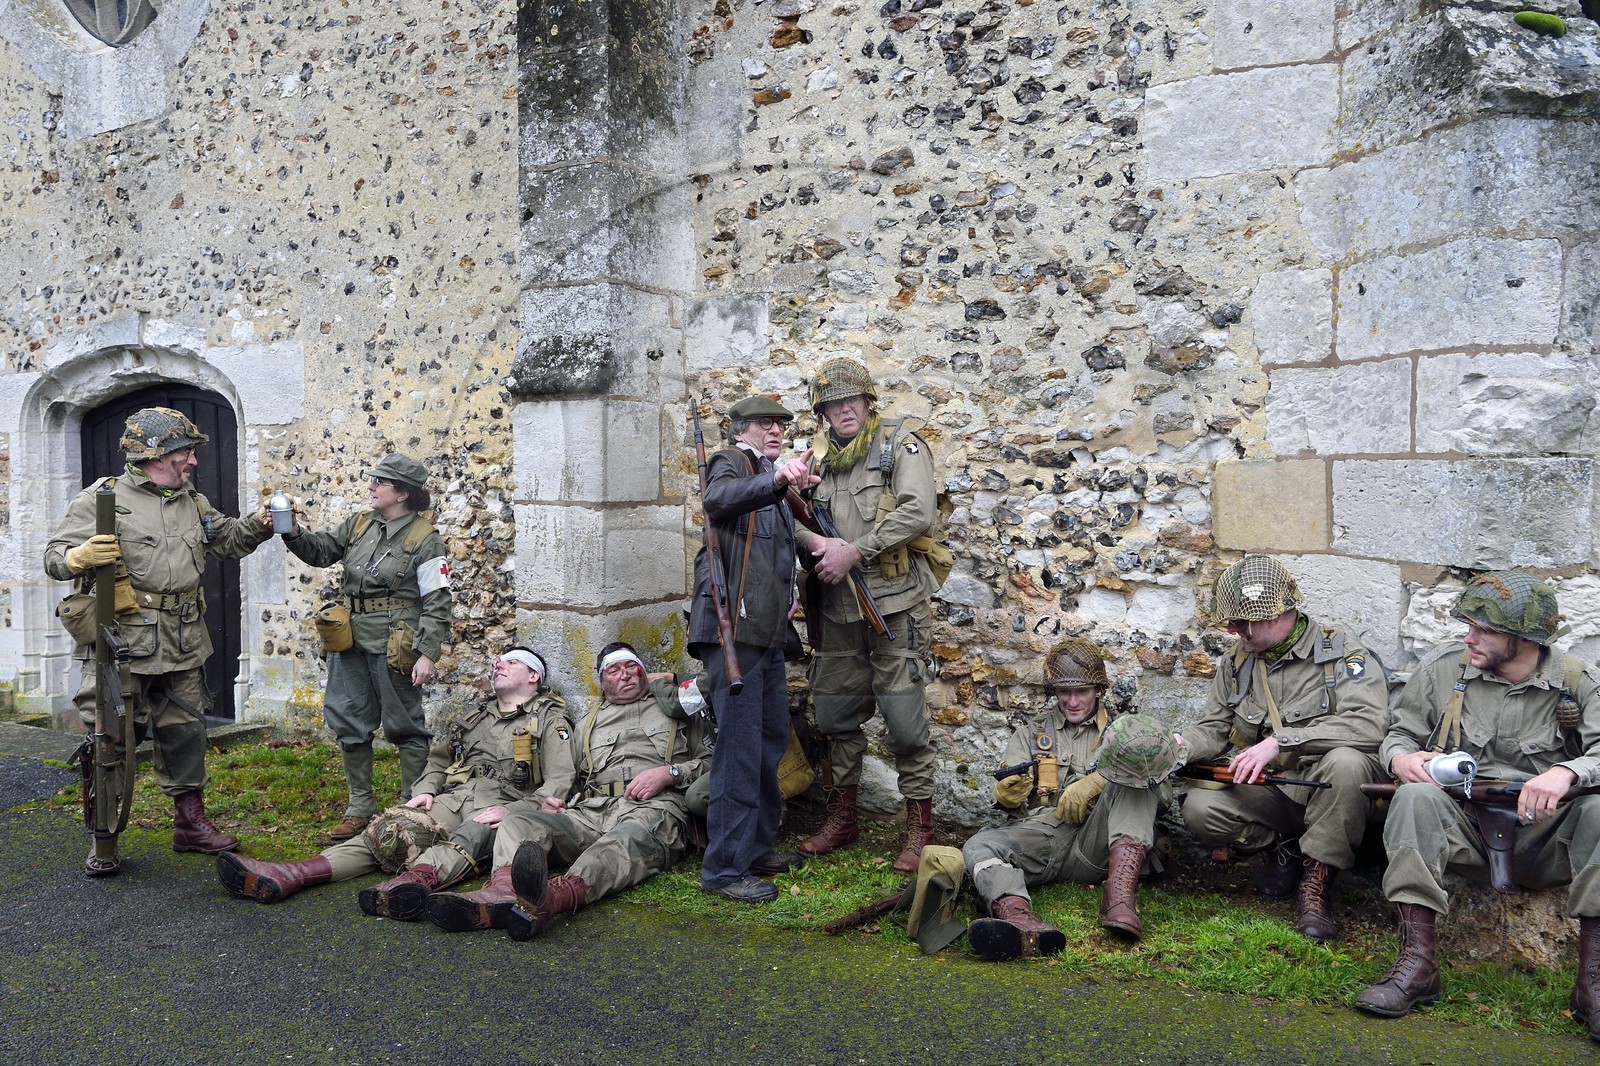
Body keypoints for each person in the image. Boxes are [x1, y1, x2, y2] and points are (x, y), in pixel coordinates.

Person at [1356, 572, 1600, 1040]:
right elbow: (1400, 733)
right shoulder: (1445, 669)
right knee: (1414, 797)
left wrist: (1567, 772)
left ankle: (1593, 985)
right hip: (1463, 829)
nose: (1469, 637)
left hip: (1548, 836)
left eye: (1483, 629)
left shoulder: (1576, 682)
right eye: (1468, 625)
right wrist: (1402, 758)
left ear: (1522, 639)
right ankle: (1417, 967)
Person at [45, 406, 274, 876]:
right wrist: (78, 556)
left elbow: (225, 539)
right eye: (185, 452)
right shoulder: (102, 499)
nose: (192, 461)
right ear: (155, 454)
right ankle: (103, 838)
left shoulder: (191, 499)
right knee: (110, 739)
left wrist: (262, 523)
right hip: (122, 642)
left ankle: (190, 824)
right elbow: (53, 557)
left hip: (184, 638)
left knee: (186, 731)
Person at [215, 647, 574, 917]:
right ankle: (292, 873)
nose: (500, 664)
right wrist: (426, 791)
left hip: (504, 806)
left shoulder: (550, 720)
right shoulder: (476, 715)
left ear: (533, 677)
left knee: (472, 836)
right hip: (456, 795)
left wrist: (512, 810)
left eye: (512, 662)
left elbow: (559, 782)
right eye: (499, 660)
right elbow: (439, 759)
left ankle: (409, 885)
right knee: (388, 829)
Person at [425, 642, 709, 937]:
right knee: (519, 823)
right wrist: (559, 803)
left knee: (619, 843)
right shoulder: (587, 723)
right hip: (594, 810)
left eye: (632, 667)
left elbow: (714, 765)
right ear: (602, 681)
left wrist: (670, 772)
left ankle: (554, 897)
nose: (625, 675)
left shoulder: (678, 710)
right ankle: (503, 891)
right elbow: (570, 777)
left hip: (654, 808)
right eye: (614, 669)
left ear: (644, 672)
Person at [1182, 554, 1389, 942]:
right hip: (1276, 792)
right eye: (1231, 620)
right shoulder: (1236, 661)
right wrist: (1180, 746)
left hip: (1329, 790)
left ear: (1276, 615)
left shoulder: (1341, 654)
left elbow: (1368, 725)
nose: (1233, 629)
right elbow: (1213, 727)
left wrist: (1280, 741)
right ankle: (1286, 848)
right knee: (1199, 809)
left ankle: (1317, 887)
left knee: (1346, 762)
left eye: (1242, 621)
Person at [794, 356, 944, 874]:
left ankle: (919, 828)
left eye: (850, 399)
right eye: (832, 403)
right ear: (823, 411)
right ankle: (844, 818)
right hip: (836, 608)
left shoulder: (899, 445)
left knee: (904, 724)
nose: (843, 410)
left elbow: (917, 511)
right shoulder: (813, 460)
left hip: (892, 605)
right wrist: (813, 542)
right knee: (836, 717)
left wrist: (854, 550)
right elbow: (788, 517)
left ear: (866, 400)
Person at [961, 641, 1178, 959]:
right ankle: (1019, 919)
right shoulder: (1031, 734)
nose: (1073, 701)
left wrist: (1100, 779)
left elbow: (1163, 797)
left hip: (1100, 844)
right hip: (1044, 840)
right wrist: (1007, 795)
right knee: (977, 846)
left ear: (1098, 690)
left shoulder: (1124, 733)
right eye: (1064, 692)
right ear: (1054, 692)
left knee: (1133, 781)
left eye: (1083, 692)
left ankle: (1118, 897)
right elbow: (1009, 798)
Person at [280, 453, 453, 840]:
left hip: (397, 642)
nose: (371, 486)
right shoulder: (361, 523)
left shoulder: (426, 540)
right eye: (373, 480)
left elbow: (439, 601)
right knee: (348, 719)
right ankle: (360, 807)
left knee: (405, 725)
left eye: (380, 482)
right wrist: (292, 531)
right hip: (350, 637)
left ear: (403, 493)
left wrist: (428, 653)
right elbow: (321, 550)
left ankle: (413, 807)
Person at [689, 394, 815, 903]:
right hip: (732, 634)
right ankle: (723, 869)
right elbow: (717, 500)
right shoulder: (732, 462)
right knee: (738, 752)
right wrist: (778, 480)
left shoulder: (767, 478)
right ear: (741, 429)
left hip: (765, 634)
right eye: (766, 423)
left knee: (769, 741)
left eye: (781, 425)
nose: (777, 431)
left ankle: (755, 848)